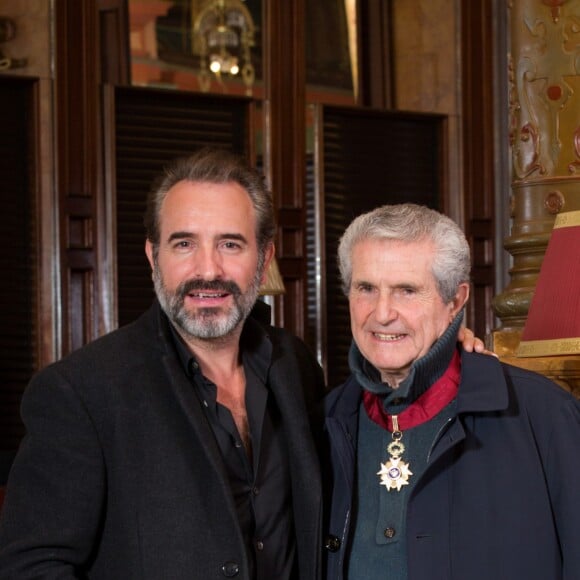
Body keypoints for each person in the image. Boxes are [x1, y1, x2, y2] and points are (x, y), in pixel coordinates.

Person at [0, 150, 483, 580]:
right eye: (183, 244)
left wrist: (443, 345)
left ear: (263, 257)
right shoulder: (80, 392)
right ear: (153, 256)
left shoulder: (295, 367)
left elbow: (381, 416)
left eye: (230, 244)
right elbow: (32, 565)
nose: (207, 270)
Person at [321, 203, 580, 580]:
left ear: (455, 301)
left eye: (406, 290)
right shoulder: (324, 421)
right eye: (366, 288)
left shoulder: (546, 417)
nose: (381, 313)